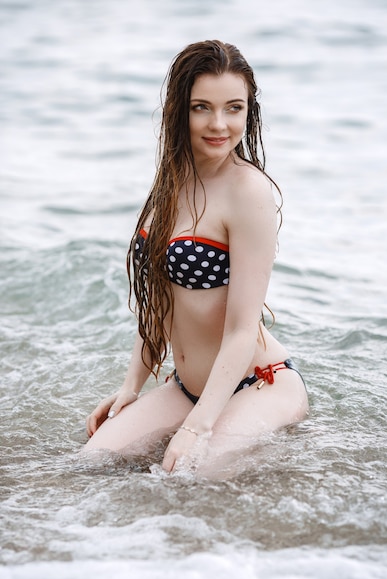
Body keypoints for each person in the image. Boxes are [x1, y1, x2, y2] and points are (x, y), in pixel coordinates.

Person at [84, 40, 309, 477]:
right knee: (93, 462)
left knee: (186, 479)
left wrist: (198, 427)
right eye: (202, 107)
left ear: (249, 112)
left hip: (257, 386)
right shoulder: (170, 182)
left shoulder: (249, 192)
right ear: (178, 110)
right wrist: (132, 387)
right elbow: (159, 304)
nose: (219, 124)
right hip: (187, 388)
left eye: (234, 108)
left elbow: (243, 328)